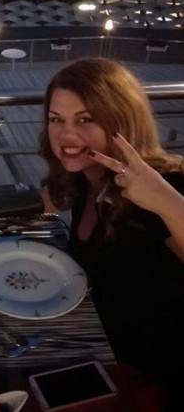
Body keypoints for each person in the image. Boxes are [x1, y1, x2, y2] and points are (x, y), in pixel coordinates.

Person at [38, 58, 184, 412]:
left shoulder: (162, 185)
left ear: (121, 121)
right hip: (101, 358)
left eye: (85, 119)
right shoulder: (84, 182)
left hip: (155, 382)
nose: (65, 135)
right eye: (56, 119)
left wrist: (165, 199)